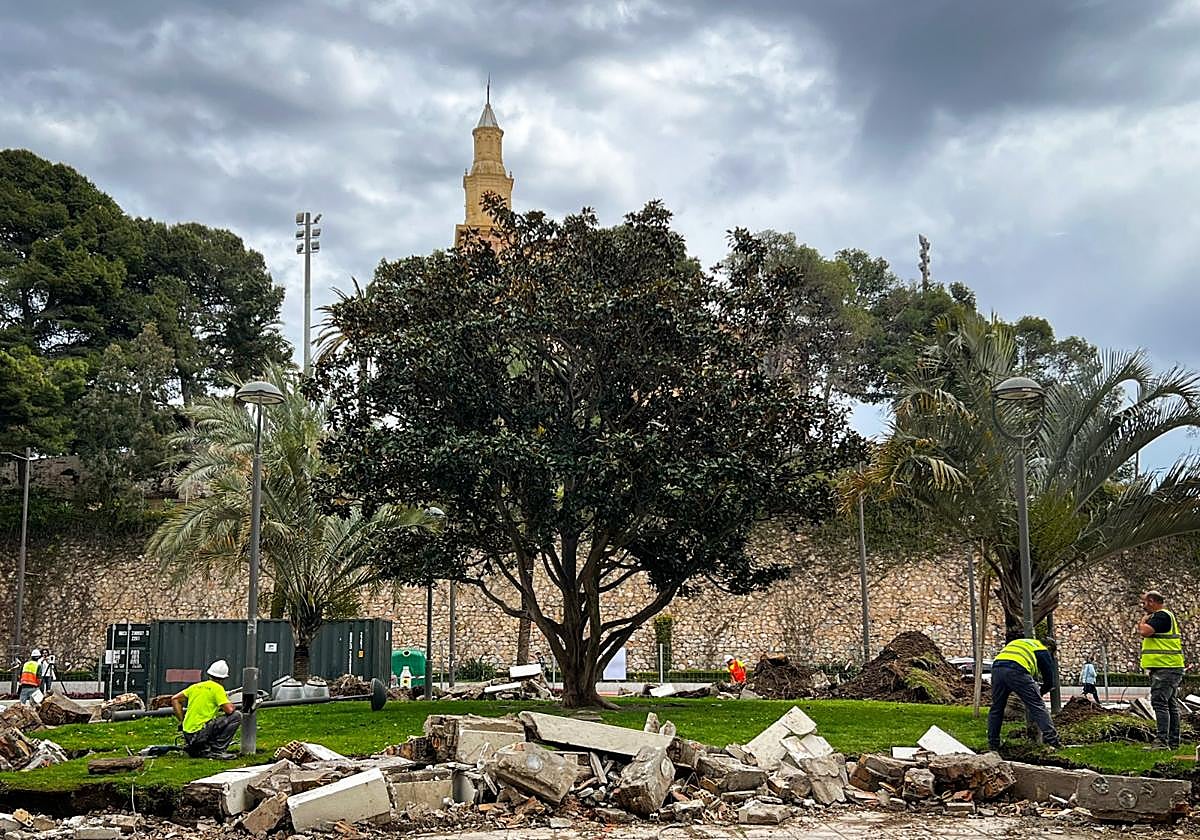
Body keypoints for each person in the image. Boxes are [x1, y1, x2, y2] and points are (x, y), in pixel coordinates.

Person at [987, 636, 1062, 751]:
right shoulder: (1042, 650)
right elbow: (1049, 682)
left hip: (997, 668)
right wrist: (1038, 694)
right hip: (1017, 670)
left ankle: (993, 744)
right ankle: (1053, 741)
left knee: (997, 708)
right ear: (1049, 648)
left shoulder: (1020, 642)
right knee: (1038, 706)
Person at [1137, 590, 1184, 751]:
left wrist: (1142, 621)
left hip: (1166, 667)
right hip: (1169, 667)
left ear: (1152, 601)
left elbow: (1145, 632)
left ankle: (1162, 741)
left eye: (1145, 603)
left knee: (1159, 702)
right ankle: (1173, 742)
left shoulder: (1161, 616)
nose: (1143, 606)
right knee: (1170, 704)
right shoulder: (1167, 616)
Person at [171, 660, 242, 759]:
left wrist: (182, 720)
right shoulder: (218, 688)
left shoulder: (196, 686)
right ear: (224, 678)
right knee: (236, 716)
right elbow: (229, 710)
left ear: (209, 674)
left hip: (188, 735)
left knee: (211, 721)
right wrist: (229, 702)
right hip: (200, 734)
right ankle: (217, 750)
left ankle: (201, 749)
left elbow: (175, 699)